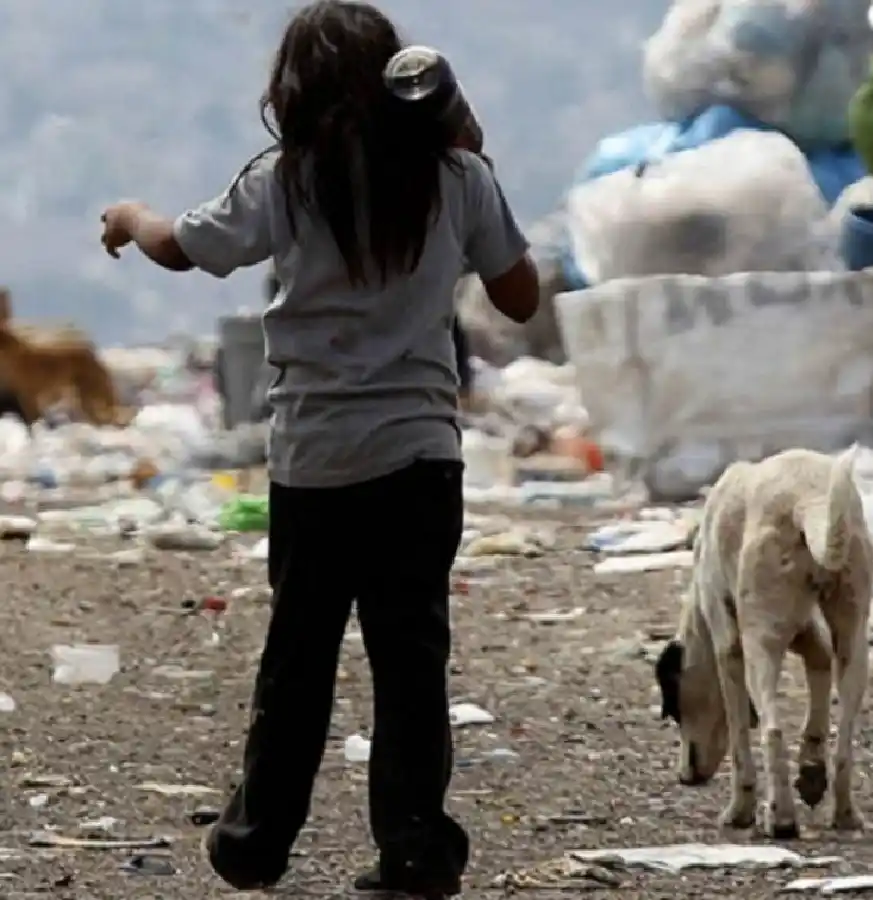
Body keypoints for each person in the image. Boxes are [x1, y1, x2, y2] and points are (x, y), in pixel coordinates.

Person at [98, 1, 540, 895]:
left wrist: (129, 216)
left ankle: (256, 842)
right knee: (410, 664)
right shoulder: (455, 176)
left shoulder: (286, 178)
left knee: (298, 659)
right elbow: (521, 297)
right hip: (421, 459)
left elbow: (183, 248)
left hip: (316, 460)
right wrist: (475, 155)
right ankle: (415, 852)